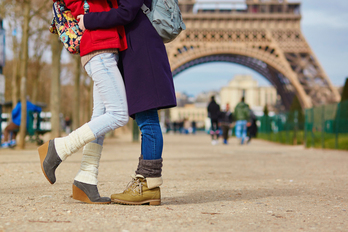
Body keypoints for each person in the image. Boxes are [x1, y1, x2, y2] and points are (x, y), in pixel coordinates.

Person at [77, 0, 177, 205]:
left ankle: (148, 185)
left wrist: (89, 19)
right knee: (146, 119)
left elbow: (126, 12)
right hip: (137, 50)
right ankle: (147, 183)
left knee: (147, 120)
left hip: (141, 51)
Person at [38, 0, 129, 204]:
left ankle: (86, 178)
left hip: (106, 47)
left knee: (100, 117)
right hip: (99, 47)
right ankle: (60, 147)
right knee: (119, 114)